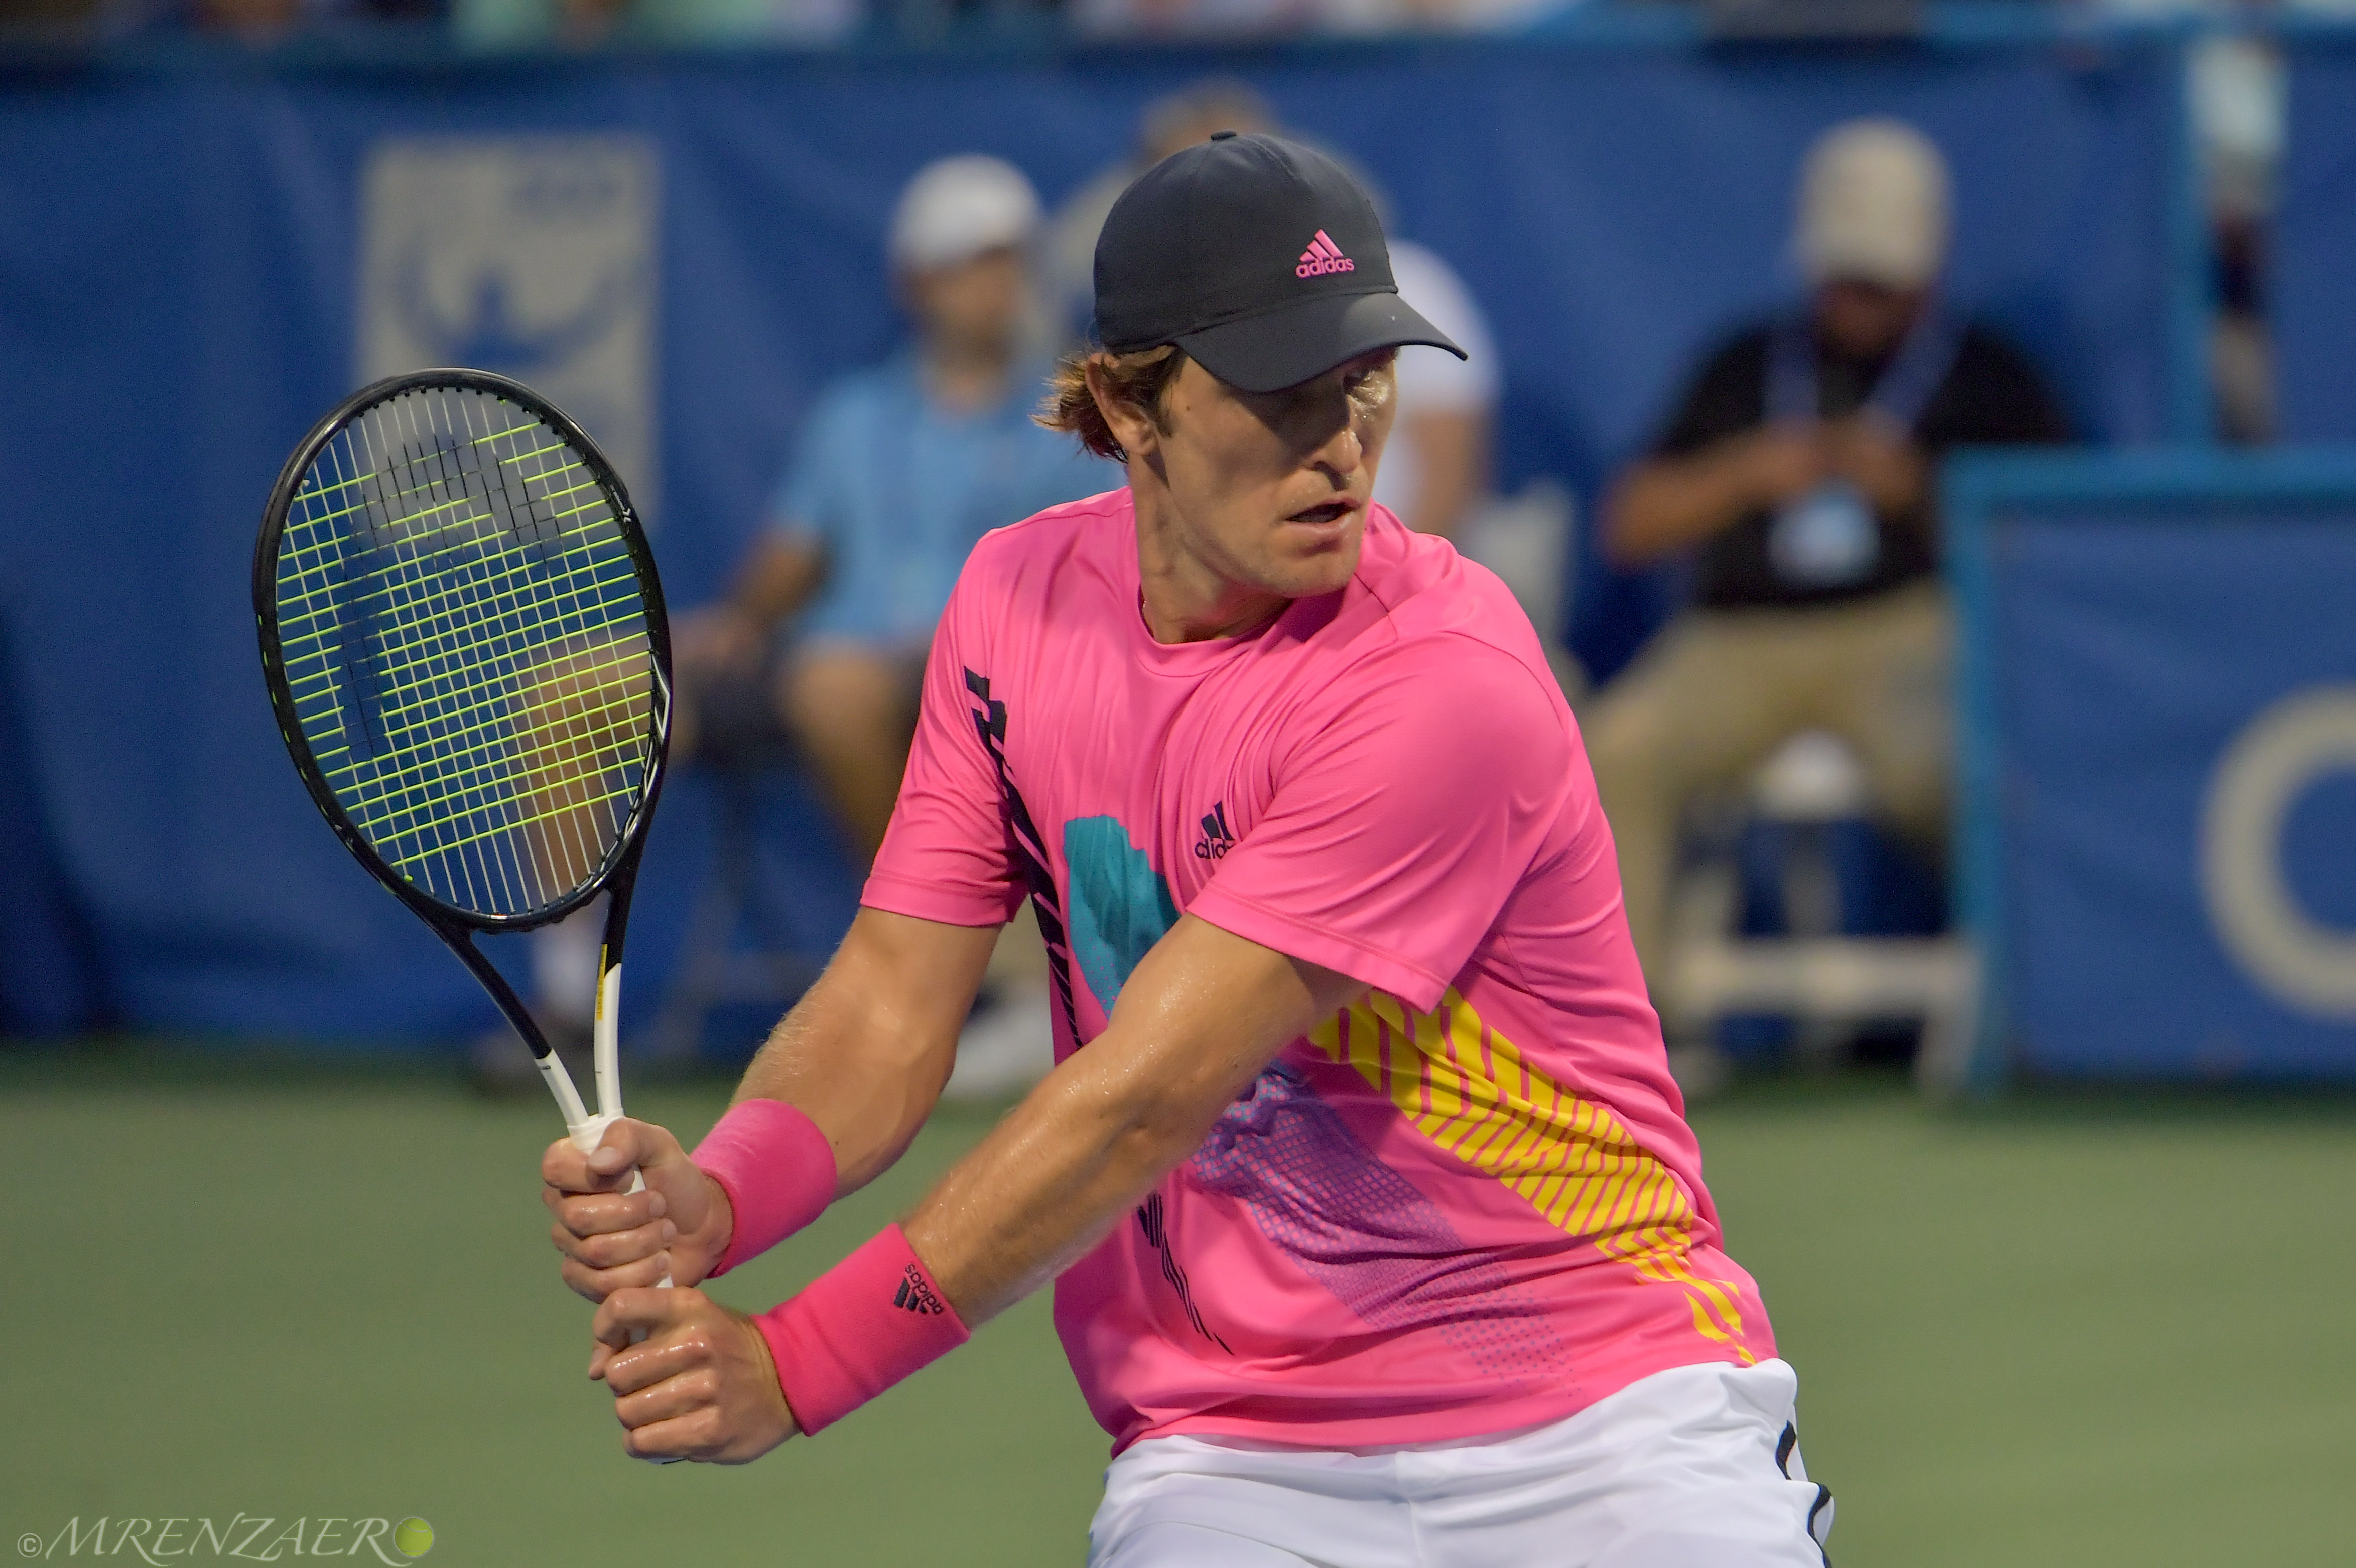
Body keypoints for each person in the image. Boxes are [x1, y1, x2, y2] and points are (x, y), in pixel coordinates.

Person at [542, 132, 1832, 1566]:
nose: (1341, 442)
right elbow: (894, 996)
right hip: (1235, 1451)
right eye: (1279, 392)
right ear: (1121, 404)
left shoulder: (1439, 678)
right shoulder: (1012, 603)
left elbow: (1139, 1099)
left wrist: (796, 1360)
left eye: (1361, 381)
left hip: (1600, 1418)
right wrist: (725, 1188)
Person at [490, 155, 1105, 1096]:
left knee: (832, 686)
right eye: (970, 263)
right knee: (577, 687)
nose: (993, 285)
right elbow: (794, 557)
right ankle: (570, 1007)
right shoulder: (854, 415)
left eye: (1006, 261)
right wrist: (738, 621)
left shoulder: (1069, 415)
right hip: (827, 658)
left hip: (986, 670)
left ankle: (967, 974)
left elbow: (1093, 567)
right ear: (917, 283)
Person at [1587, 117, 2071, 989]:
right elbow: (1629, 525)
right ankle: (1625, 1034)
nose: (1858, 303)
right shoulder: (1744, 364)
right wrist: (1740, 474)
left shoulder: (1990, 377)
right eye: (1844, 279)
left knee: (1960, 768)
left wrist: (1921, 495)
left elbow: (2052, 550)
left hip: (1906, 628)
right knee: (1615, 750)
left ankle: (2031, 1000)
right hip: (1740, 637)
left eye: (1881, 284)